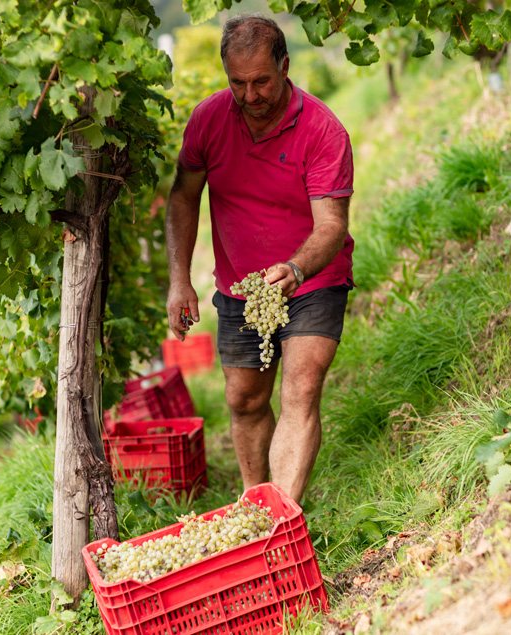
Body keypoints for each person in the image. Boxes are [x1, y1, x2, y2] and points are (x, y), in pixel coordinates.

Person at [165, 13, 354, 504]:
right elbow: (183, 198)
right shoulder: (209, 119)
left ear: (286, 66)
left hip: (312, 278)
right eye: (238, 83)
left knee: (301, 386)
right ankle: (255, 501)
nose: (250, 96)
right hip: (241, 286)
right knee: (245, 400)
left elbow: (332, 226)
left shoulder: (322, 131)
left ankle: (280, 520)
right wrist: (179, 280)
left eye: (262, 81)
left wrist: (295, 268)